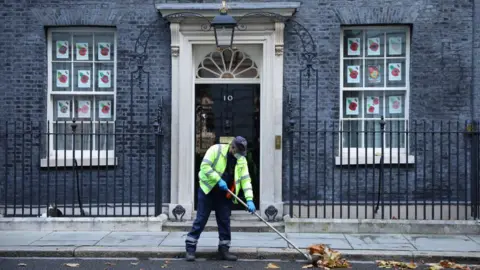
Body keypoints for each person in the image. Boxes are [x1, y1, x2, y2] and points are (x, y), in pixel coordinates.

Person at [185, 136, 256, 262]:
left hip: (225, 193)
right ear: (232, 147)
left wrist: (249, 199)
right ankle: (190, 248)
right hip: (208, 190)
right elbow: (204, 167)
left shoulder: (242, 160)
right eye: (239, 152)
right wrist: (218, 180)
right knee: (201, 219)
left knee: (224, 221)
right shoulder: (215, 150)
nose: (240, 155)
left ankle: (224, 250)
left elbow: (245, 179)